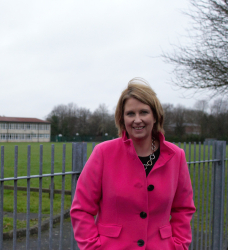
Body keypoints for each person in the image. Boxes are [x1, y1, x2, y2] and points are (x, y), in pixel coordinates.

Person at [70, 78, 196, 249]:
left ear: (155, 116)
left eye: (144, 112)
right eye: (130, 114)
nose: (137, 120)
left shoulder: (176, 156)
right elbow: (81, 209)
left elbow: (183, 209)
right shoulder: (103, 153)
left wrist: (178, 245)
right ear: (122, 119)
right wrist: (94, 247)